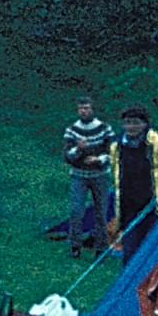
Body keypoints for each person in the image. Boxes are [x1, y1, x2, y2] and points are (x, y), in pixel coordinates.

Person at [114, 106, 158, 254]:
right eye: (127, 123)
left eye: (135, 123)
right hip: (129, 208)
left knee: (155, 251)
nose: (131, 127)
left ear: (145, 124)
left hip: (155, 207)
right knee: (131, 251)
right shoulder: (117, 147)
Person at [60, 93, 113, 259]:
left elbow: (113, 151)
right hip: (79, 175)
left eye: (87, 108)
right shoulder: (72, 130)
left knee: (101, 211)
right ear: (77, 111)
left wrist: (99, 159)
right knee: (76, 211)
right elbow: (67, 156)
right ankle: (75, 246)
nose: (84, 111)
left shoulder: (104, 128)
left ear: (92, 110)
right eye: (81, 109)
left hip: (100, 175)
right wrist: (78, 149)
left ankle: (101, 248)